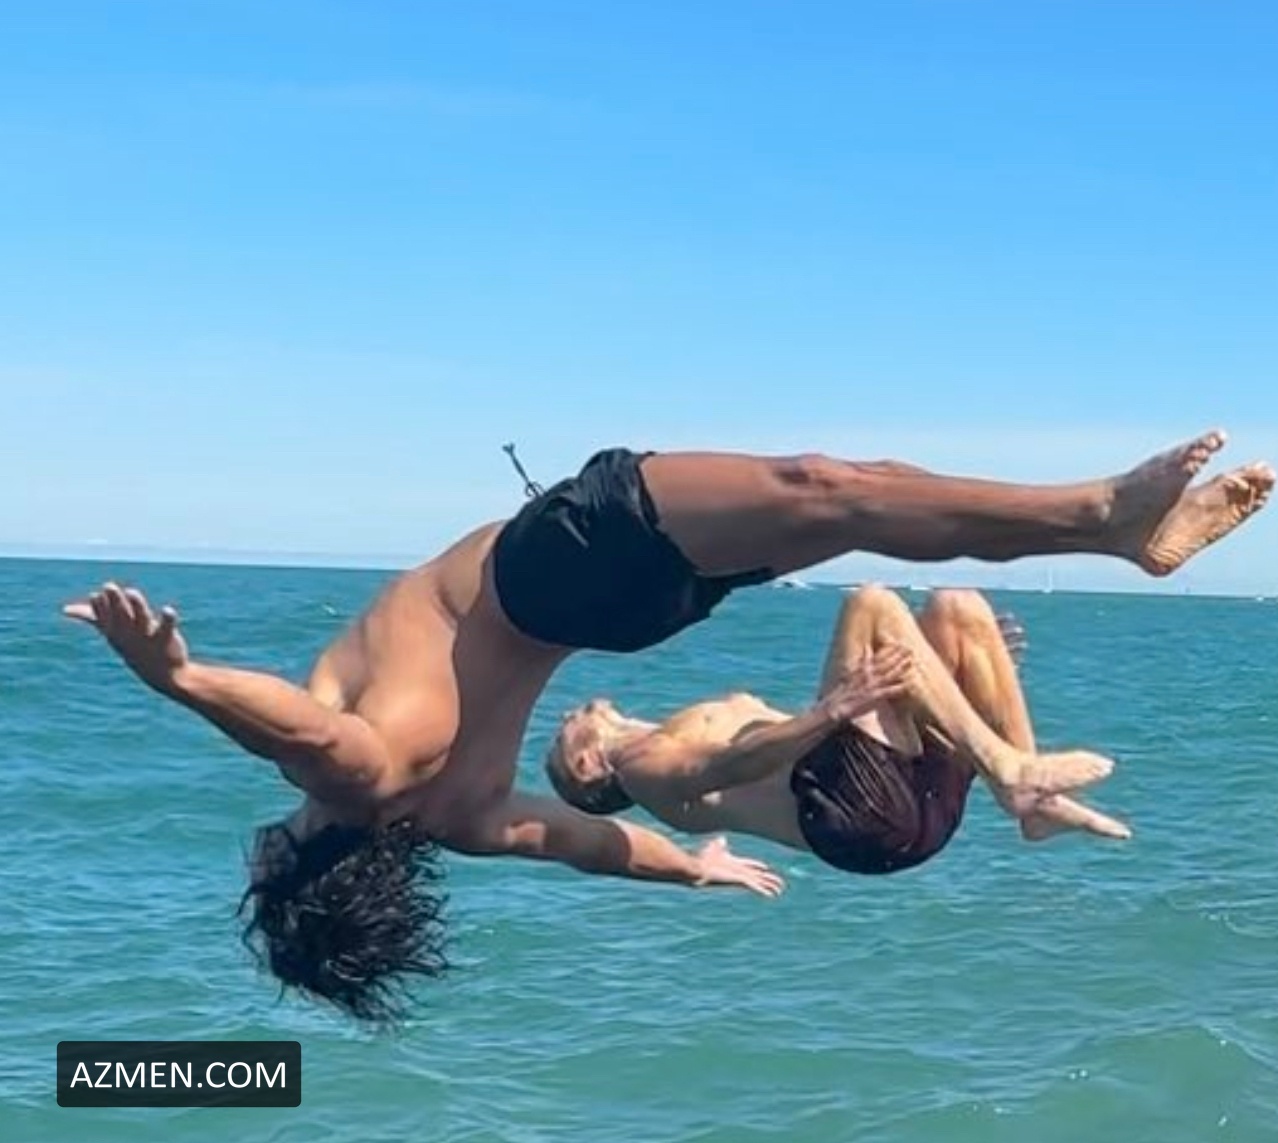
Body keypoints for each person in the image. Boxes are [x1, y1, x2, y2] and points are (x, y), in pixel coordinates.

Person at [64, 431, 1271, 1024]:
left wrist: (695, 868)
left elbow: (599, 847)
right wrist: (180, 677)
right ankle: (1104, 519)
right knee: (832, 491)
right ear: (289, 868)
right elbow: (307, 741)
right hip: (557, 569)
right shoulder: (359, 777)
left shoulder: (467, 823)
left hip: (626, 616)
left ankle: (1114, 530)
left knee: (853, 496)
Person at [546, 587, 1129, 882]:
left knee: (958, 609)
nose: (569, 714)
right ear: (586, 766)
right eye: (561, 734)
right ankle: (1010, 770)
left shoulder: (667, 739)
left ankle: (1032, 805)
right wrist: (832, 710)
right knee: (869, 603)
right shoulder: (641, 766)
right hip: (859, 818)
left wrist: (967, 669)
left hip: (898, 794)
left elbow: (859, 730)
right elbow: (731, 768)